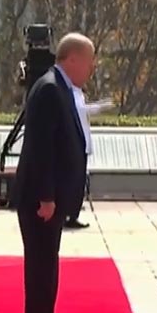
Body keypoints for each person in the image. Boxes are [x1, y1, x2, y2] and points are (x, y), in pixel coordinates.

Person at [10, 32, 95, 313]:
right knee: (41, 273)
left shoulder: (61, 88)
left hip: (52, 201)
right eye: (88, 61)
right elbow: (40, 150)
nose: (91, 68)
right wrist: (47, 196)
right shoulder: (49, 89)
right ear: (71, 59)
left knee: (46, 272)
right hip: (41, 202)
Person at [65, 86, 113, 230]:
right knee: (74, 182)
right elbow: (81, 110)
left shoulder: (78, 92)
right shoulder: (71, 91)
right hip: (75, 143)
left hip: (82, 143)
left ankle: (73, 214)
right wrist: (100, 107)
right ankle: (69, 215)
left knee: (79, 182)